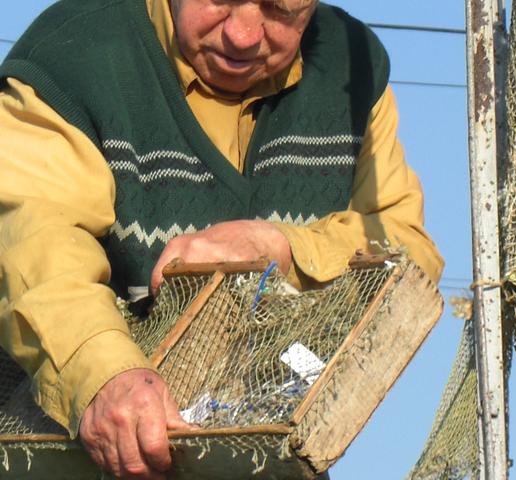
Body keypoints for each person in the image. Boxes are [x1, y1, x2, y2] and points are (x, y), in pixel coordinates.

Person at [0, 0, 444, 478]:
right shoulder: (68, 58)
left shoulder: (353, 67)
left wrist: (281, 247)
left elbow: (407, 252)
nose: (245, 34)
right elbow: (36, 240)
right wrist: (107, 376)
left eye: (282, 10)